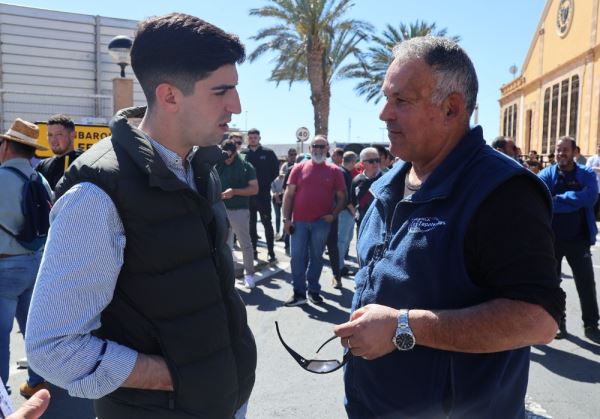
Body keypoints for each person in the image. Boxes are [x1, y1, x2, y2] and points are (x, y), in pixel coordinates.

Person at [26, 13, 256, 418]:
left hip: (223, 400)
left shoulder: (199, 164)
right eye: (222, 91)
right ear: (169, 96)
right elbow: (52, 347)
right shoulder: (97, 193)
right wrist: (170, 375)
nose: (235, 106)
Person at [333, 37, 563, 418]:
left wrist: (404, 326)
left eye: (401, 101)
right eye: (386, 97)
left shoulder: (502, 191)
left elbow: (538, 320)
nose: (384, 114)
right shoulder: (388, 184)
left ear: (451, 108)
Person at [0, 119, 52, 399]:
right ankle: (37, 382)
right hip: (35, 262)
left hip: (4, 266)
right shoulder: (39, 179)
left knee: (0, 335)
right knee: (32, 329)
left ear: (6, 145)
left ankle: (1, 394)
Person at [538, 137, 600, 343]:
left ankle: (591, 324)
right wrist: (575, 200)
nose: (560, 153)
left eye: (565, 150)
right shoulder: (546, 174)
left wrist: (559, 199)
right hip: (550, 240)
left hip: (579, 239)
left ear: (574, 152)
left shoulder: (586, 173)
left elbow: (591, 197)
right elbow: (543, 200)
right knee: (552, 285)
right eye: (557, 150)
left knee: (586, 284)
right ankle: (558, 323)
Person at [282, 135, 346, 306]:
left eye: (322, 146)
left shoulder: (335, 171)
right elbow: (288, 196)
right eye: (315, 146)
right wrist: (286, 219)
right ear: (310, 149)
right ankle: (299, 293)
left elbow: (342, 197)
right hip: (299, 223)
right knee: (296, 257)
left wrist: (333, 214)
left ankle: (314, 291)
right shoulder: (298, 168)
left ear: (327, 149)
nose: (318, 149)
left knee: (316, 257)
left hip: (321, 223)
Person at [217, 139, 259, 289]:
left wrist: (234, 192)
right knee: (225, 245)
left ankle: (249, 275)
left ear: (235, 153)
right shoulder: (218, 163)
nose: (227, 159)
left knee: (245, 244)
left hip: (239, 210)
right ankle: (228, 277)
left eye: (229, 156)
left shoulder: (246, 166)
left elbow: (254, 189)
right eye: (225, 156)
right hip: (221, 210)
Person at [241, 128, 279, 262]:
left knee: (267, 223)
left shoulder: (268, 153)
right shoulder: (243, 154)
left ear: (259, 138)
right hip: (248, 195)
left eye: (255, 137)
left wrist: (265, 182)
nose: (253, 139)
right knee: (250, 224)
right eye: (250, 137)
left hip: (263, 195)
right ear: (248, 139)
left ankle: (271, 252)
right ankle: (254, 251)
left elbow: (275, 170)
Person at [35, 114, 82, 190]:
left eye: (59, 134)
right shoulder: (42, 166)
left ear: (72, 135)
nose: (53, 140)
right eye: (50, 135)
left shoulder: (82, 163)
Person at [350, 147, 383, 230]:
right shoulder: (356, 180)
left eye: (377, 160)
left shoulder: (386, 179)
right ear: (362, 163)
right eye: (371, 161)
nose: (375, 163)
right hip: (362, 225)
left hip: (381, 226)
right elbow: (353, 201)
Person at [337, 151, 358, 278]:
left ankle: (340, 264)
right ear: (352, 161)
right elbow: (344, 196)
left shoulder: (344, 172)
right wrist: (353, 210)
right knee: (342, 241)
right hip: (345, 211)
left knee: (346, 239)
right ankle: (339, 267)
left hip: (347, 211)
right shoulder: (343, 173)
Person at [586, 142, 600, 218]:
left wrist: (595, 168)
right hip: (594, 186)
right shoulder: (592, 159)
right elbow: (587, 169)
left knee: (597, 207)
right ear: (597, 148)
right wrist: (595, 168)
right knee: (593, 206)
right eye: (599, 146)